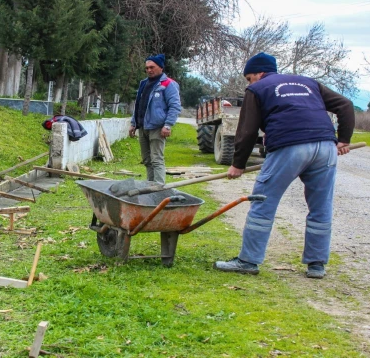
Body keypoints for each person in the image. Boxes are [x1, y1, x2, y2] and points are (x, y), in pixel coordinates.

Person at [213, 52, 355, 279]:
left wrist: (237, 164)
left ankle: (248, 261)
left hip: (290, 147)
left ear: (259, 73)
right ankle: (316, 265)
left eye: (249, 78)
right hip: (325, 148)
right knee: (321, 206)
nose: (249, 83)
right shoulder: (309, 83)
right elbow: (345, 105)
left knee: (262, 202)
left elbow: (247, 130)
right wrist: (344, 139)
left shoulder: (257, 89)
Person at [129, 54, 182, 185]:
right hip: (143, 127)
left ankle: (159, 189)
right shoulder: (144, 84)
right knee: (147, 160)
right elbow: (138, 105)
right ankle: (149, 187)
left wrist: (168, 125)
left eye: (152, 67)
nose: (149, 70)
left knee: (156, 159)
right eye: (147, 68)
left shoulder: (168, 84)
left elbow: (175, 106)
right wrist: (133, 123)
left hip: (158, 128)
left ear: (161, 67)